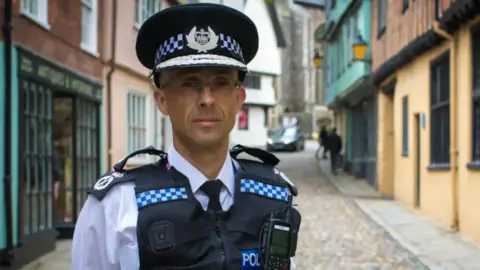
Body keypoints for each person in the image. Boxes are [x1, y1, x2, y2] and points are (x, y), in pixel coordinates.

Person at [71, 3, 301, 270]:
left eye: (221, 83)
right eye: (189, 83)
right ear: (162, 100)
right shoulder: (117, 206)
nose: (207, 99)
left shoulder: (274, 195)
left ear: (239, 99)